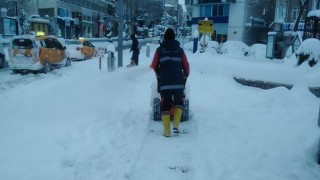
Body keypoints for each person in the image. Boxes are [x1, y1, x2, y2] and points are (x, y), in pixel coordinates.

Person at [150, 28, 190, 137]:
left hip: (165, 83)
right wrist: (185, 76)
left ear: (164, 37)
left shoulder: (159, 50)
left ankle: (167, 132)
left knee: (165, 106)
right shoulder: (180, 50)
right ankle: (176, 125)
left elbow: (153, 65)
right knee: (179, 103)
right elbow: (186, 66)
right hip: (178, 82)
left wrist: (159, 73)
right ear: (174, 37)